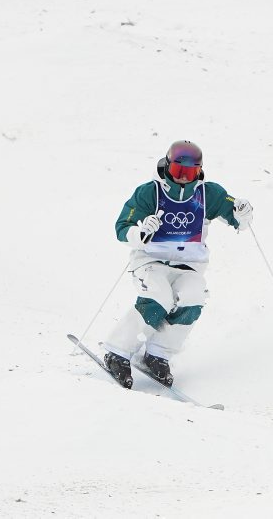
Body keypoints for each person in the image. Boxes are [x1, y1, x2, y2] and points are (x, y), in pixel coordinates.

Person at [102, 140, 253, 389]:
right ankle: (117, 351)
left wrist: (241, 213)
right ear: (167, 166)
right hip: (151, 261)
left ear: (199, 171)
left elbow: (237, 219)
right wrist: (140, 233)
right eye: (178, 172)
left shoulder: (208, 193)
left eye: (190, 172)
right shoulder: (150, 192)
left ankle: (157, 354)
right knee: (158, 297)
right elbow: (122, 227)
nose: (183, 178)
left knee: (193, 299)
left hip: (189, 266)